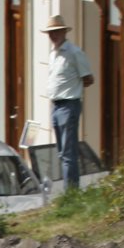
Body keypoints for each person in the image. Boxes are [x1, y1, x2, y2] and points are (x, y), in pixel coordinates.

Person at [42, 13, 94, 191]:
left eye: (56, 31)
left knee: (68, 152)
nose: (53, 35)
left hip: (69, 104)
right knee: (62, 152)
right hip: (56, 105)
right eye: (51, 32)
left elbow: (88, 78)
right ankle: (69, 190)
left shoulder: (74, 52)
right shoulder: (53, 54)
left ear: (64, 32)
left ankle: (71, 191)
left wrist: (73, 88)